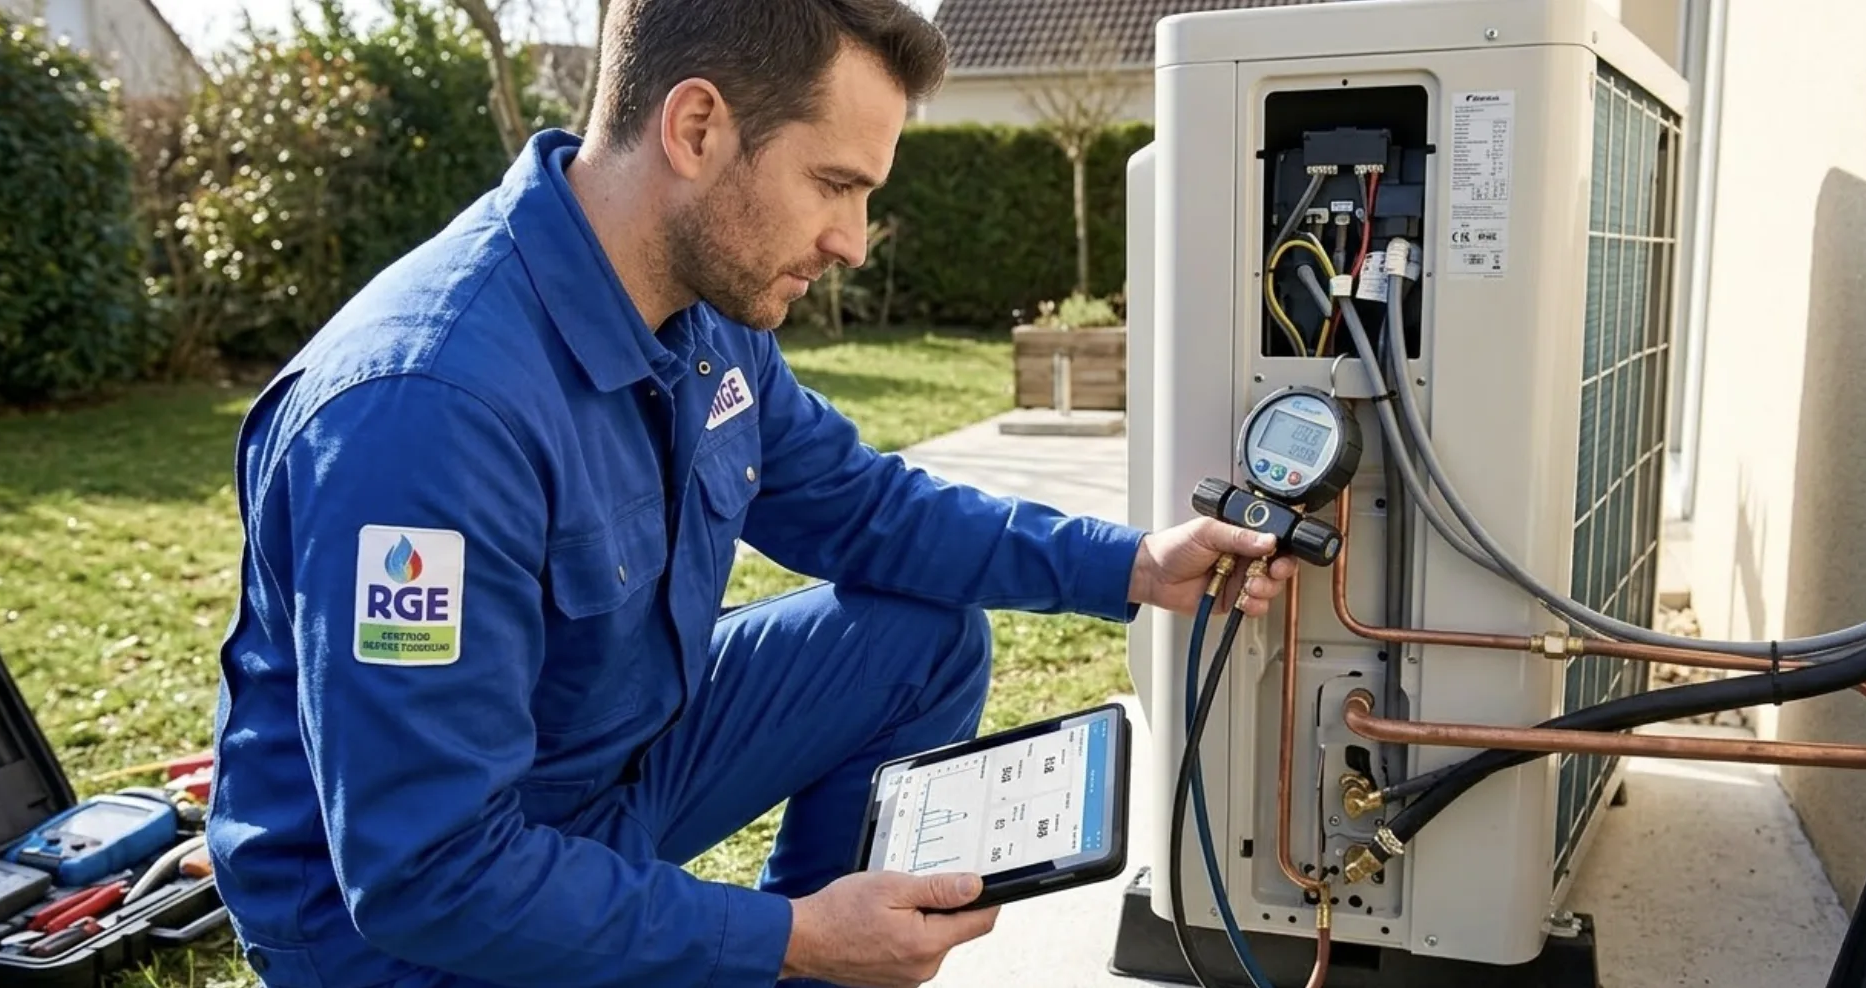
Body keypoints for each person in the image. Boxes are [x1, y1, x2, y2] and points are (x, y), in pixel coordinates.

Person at [205, 1, 1291, 986]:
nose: (851, 242)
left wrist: (1130, 564)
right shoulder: (427, 413)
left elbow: (863, 509)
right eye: (834, 185)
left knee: (921, 634)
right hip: (403, 934)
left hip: (603, 776)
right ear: (695, 129)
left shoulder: (704, 319)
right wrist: (794, 937)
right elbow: (425, 875)